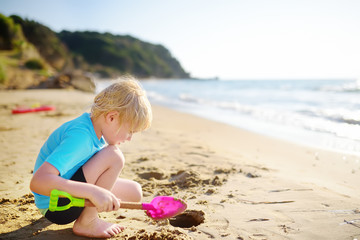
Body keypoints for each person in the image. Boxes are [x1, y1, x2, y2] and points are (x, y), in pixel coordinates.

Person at [30, 77, 152, 238]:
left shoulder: (95, 129)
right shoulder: (81, 137)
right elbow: (38, 182)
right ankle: (87, 222)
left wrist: (96, 192)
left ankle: (88, 213)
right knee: (114, 156)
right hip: (57, 205)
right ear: (111, 117)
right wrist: (93, 192)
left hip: (68, 189)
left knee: (135, 192)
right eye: (130, 131)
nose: (129, 138)